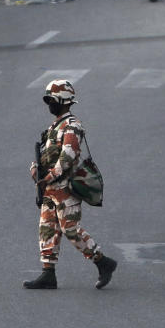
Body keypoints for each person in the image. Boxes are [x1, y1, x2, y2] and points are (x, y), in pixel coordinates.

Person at [24, 79, 117, 290]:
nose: (49, 104)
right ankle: (48, 274)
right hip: (49, 190)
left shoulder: (72, 126)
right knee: (47, 230)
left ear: (63, 101)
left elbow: (68, 156)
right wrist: (34, 170)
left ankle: (103, 262)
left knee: (70, 230)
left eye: (52, 100)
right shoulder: (53, 126)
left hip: (66, 189)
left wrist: (48, 176)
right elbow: (45, 155)